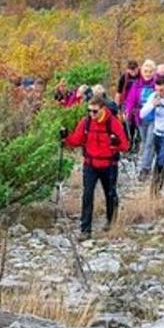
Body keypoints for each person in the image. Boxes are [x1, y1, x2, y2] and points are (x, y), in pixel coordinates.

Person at [61, 94, 129, 239]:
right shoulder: (86, 122)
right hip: (90, 164)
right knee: (87, 195)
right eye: (89, 111)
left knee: (110, 194)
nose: (91, 114)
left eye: (94, 111)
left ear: (102, 109)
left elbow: (125, 145)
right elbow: (76, 140)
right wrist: (66, 136)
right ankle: (85, 230)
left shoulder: (113, 123)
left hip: (109, 165)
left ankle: (112, 222)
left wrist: (116, 143)